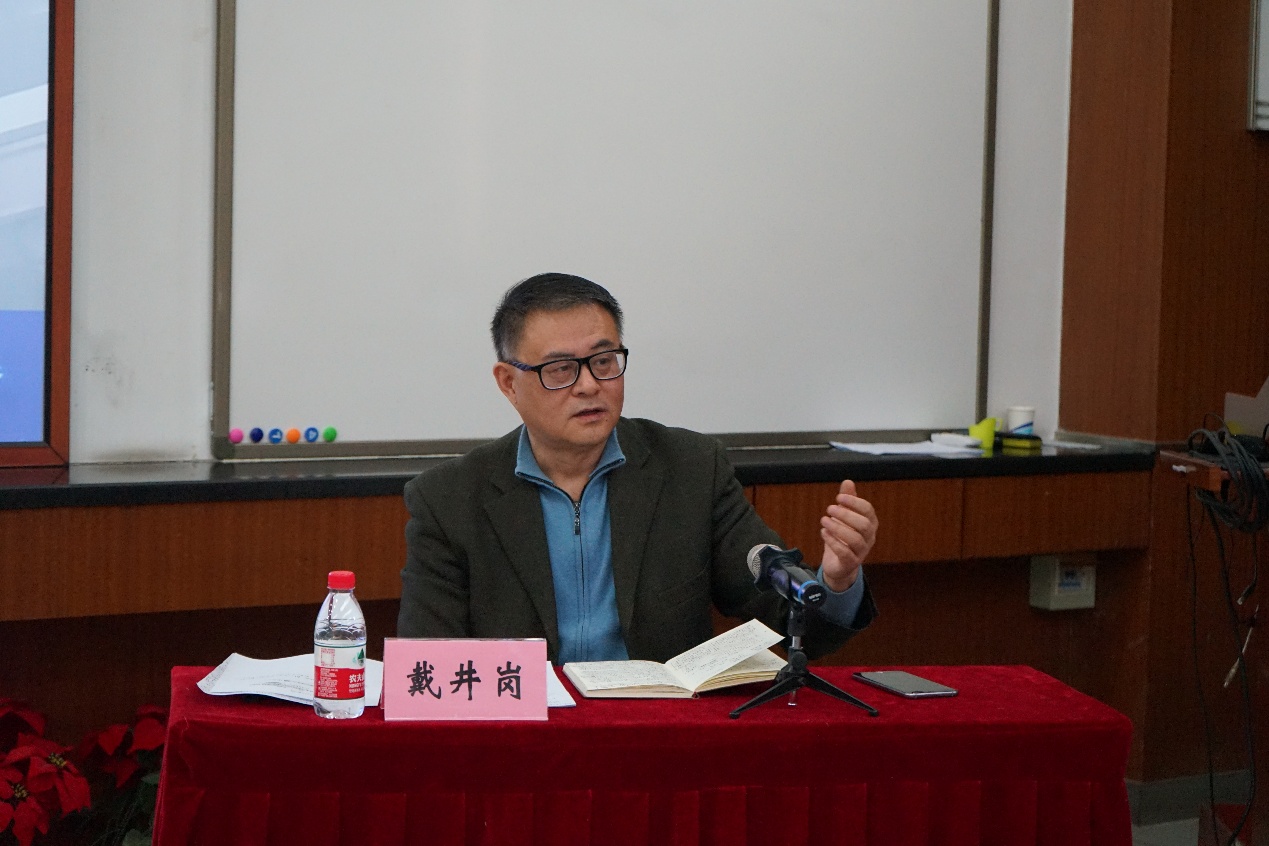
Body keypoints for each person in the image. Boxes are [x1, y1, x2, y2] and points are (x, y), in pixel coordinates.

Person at [398, 272, 878, 663]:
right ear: (508, 383)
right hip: (524, 736)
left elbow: (790, 625)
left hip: (658, 733)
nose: (589, 385)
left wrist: (835, 581)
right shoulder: (449, 500)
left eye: (604, 361)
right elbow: (428, 666)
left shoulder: (690, 470)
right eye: (561, 369)